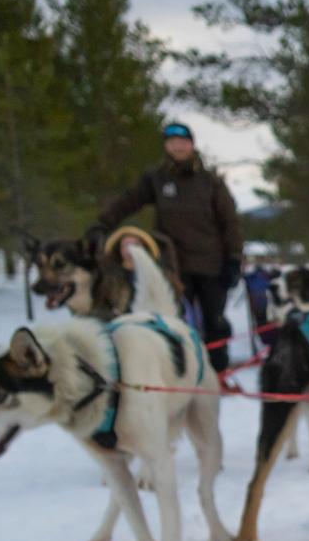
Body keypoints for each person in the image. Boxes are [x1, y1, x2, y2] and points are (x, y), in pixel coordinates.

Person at [95, 122, 244, 370]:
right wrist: (102, 224)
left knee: (214, 321)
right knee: (175, 319)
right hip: (173, 264)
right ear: (166, 146)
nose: (178, 146)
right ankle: (181, 369)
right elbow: (128, 202)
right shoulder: (156, 178)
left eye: (183, 141)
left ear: (192, 145)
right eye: (172, 141)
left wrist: (234, 259)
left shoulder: (210, 182)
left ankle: (219, 370)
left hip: (211, 264)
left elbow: (231, 222)